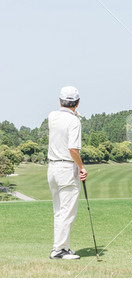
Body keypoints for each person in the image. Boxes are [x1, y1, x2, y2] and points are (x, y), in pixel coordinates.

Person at [47, 86, 88, 260]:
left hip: (52, 169)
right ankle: (59, 250)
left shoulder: (52, 116)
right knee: (67, 212)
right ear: (77, 103)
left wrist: (73, 115)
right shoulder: (74, 122)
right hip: (66, 169)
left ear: (59, 101)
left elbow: (63, 117)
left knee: (59, 211)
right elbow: (73, 149)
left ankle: (62, 246)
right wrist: (82, 167)